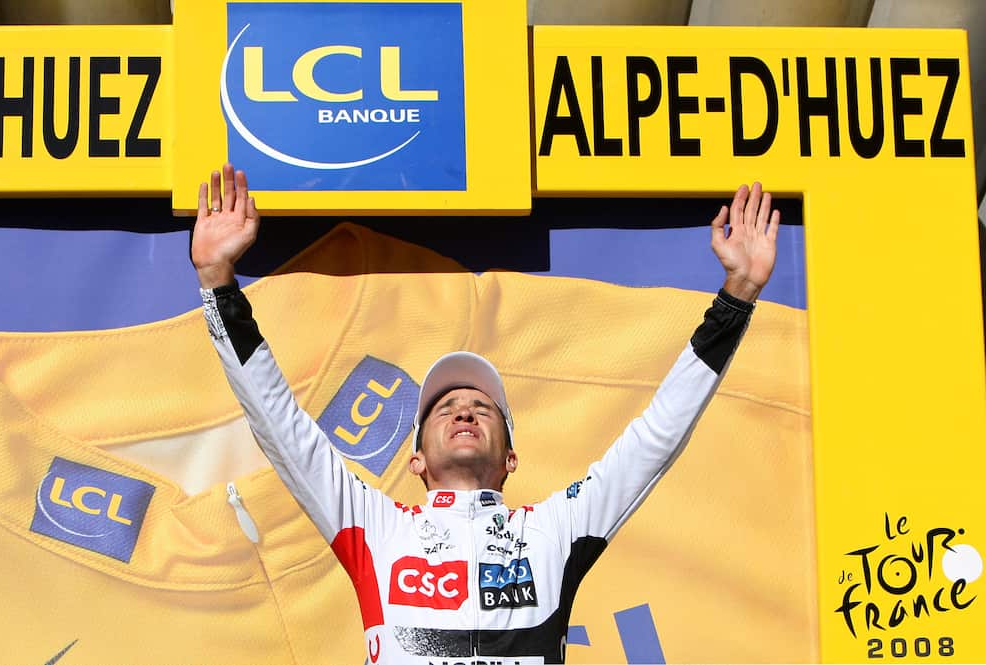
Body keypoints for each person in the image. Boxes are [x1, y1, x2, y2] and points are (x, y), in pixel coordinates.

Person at [193, 163, 779, 664]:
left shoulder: (554, 531)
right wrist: (217, 282)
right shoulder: (377, 528)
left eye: (482, 407)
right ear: (417, 460)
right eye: (445, 407)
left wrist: (737, 297)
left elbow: (657, 436)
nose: (465, 411)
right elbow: (280, 425)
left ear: (511, 458)